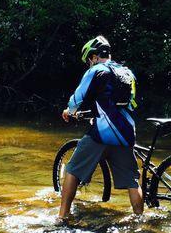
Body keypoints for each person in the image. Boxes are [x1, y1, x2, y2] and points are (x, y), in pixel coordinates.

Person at [58, 36, 143, 221]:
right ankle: (140, 220)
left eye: (89, 60)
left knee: (72, 170)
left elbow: (78, 98)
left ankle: (62, 217)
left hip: (103, 134)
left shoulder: (96, 70)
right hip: (126, 132)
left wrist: (69, 110)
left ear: (94, 56)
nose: (89, 64)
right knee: (132, 180)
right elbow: (131, 102)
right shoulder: (127, 72)